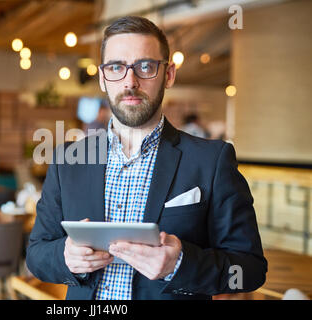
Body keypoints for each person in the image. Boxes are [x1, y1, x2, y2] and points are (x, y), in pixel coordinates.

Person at [26, 16, 267, 300]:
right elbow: (36, 254)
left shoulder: (212, 160)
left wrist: (181, 264)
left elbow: (249, 269)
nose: (131, 81)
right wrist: (65, 257)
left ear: (168, 74)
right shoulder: (69, 159)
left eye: (145, 66)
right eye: (116, 67)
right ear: (103, 78)